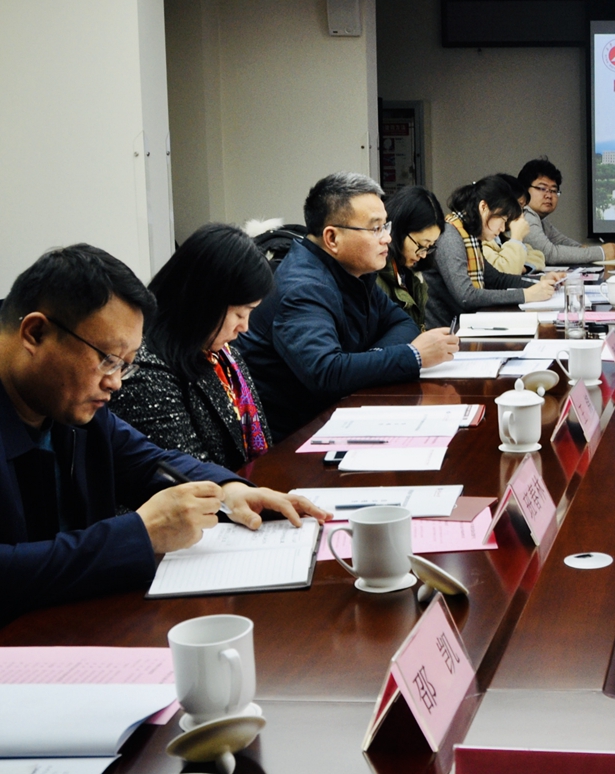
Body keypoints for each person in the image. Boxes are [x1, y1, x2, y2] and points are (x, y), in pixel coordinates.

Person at [0, 244, 326, 618]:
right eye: (107, 360)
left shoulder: (69, 403)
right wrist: (140, 533)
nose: (115, 383)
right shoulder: (63, 397)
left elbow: (148, 462)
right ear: (36, 333)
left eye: (125, 366)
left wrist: (229, 491)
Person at [237, 172, 459, 439]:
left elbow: (402, 323)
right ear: (332, 238)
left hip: (338, 416)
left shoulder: (355, 272)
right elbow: (327, 372)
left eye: (386, 226)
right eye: (375, 229)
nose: (387, 238)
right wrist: (413, 356)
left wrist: (366, 361)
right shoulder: (303, 288)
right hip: (295, 438)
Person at [111, 225, 283, 470]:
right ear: (205, 302)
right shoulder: (146, 371)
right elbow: (189, 474)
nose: (244, 327)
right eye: (239, 314)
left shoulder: (225, 357)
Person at [425, 177, 563, 329]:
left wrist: (540, 281)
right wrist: (526, 295)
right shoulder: (450, 236)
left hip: (468, 325)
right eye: (502, 220)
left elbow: (496, 279)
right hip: (448, 331)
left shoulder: (469, 235)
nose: (502, 229)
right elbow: (466, 296)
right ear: (483, 207)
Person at [516, 157, 615, 266]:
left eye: (553, 190)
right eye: (542, 188)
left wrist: (582, 249)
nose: (549, 195)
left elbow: (560, 241)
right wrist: (600, 253)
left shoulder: (540, 219)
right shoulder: (525, 217)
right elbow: (549, 254)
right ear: (524, 190)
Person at [375, 186, 445, 330]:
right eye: (421, 245)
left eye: (430, 246)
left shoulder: (411, 274)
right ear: (399, 231)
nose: (423, 254)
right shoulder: (374, 277)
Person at [481, 173, 545, 275]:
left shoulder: (502, 234)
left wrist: (523, 267)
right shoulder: (482, 236)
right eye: (517, 205)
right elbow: (503, 273)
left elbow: (538, 256)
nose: (520, 213)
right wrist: (516, 237)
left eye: (522, 208)